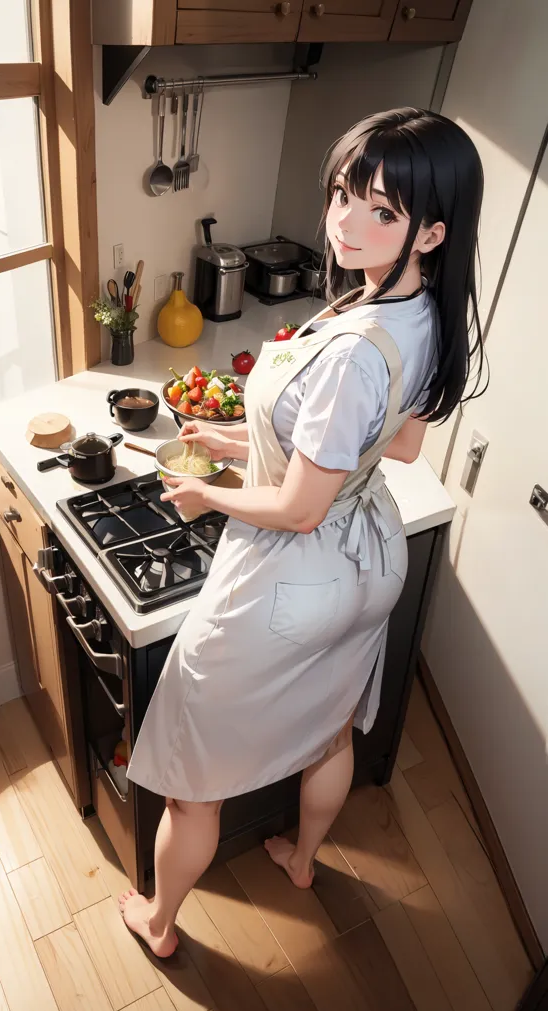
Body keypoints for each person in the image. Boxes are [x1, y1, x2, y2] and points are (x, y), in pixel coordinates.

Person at [120, 107, 485, 957]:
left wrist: (208, 497)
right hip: (371, 563)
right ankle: (302, 859)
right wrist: (243, 440)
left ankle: (160, 922)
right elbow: (394, 442)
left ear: (431, 231)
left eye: (383, 211)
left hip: (297, 571)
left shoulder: (357, 346)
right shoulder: (424, 311)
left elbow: (297, 508)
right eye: (344, 195)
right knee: (327, 726)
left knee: (191, 785)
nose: (347, 223)